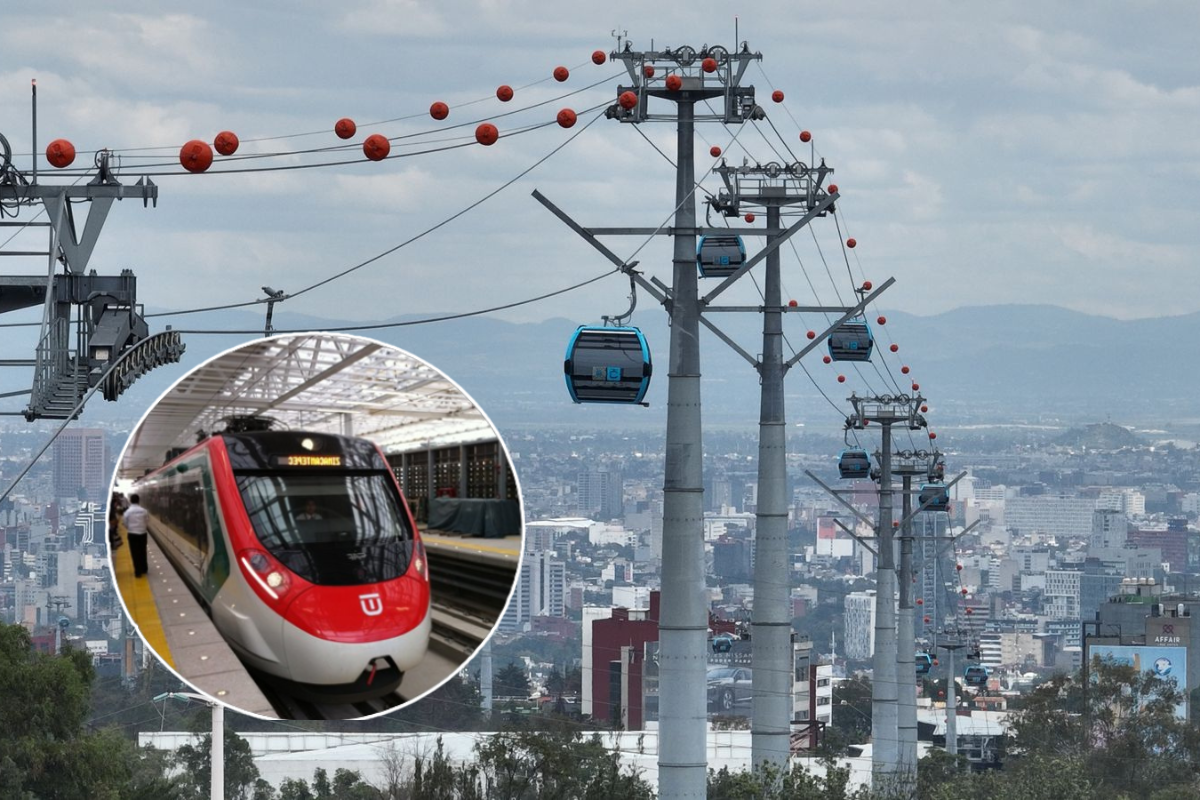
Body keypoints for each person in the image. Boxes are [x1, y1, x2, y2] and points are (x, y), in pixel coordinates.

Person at [123, 493, 150, 578]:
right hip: (142, 533)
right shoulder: (144, 511)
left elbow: (124, 523)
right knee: (143, 551)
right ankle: (144, 569)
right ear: (139, 500)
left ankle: (137, 572)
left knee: (135, 553)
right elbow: (147, 521)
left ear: (130, 501)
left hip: (132, 534)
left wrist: (130, 528)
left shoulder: (127, 512)